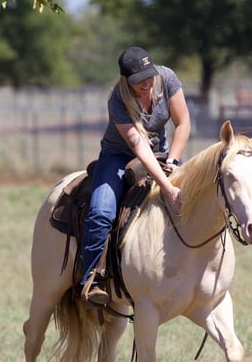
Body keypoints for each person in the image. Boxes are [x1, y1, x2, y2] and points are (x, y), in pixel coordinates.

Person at [79, 46, 191, 308]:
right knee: (101, 211)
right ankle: (91, 280)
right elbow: (139, 146)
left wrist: (173, 161)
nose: (147, 83)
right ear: (125, 81)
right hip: (118, 156)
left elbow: (183, 122)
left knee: (197, 196)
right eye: (139, 80)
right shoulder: (117, 100)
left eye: (149, 76)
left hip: (162, 153)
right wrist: (167, 187)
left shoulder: (167, 78)